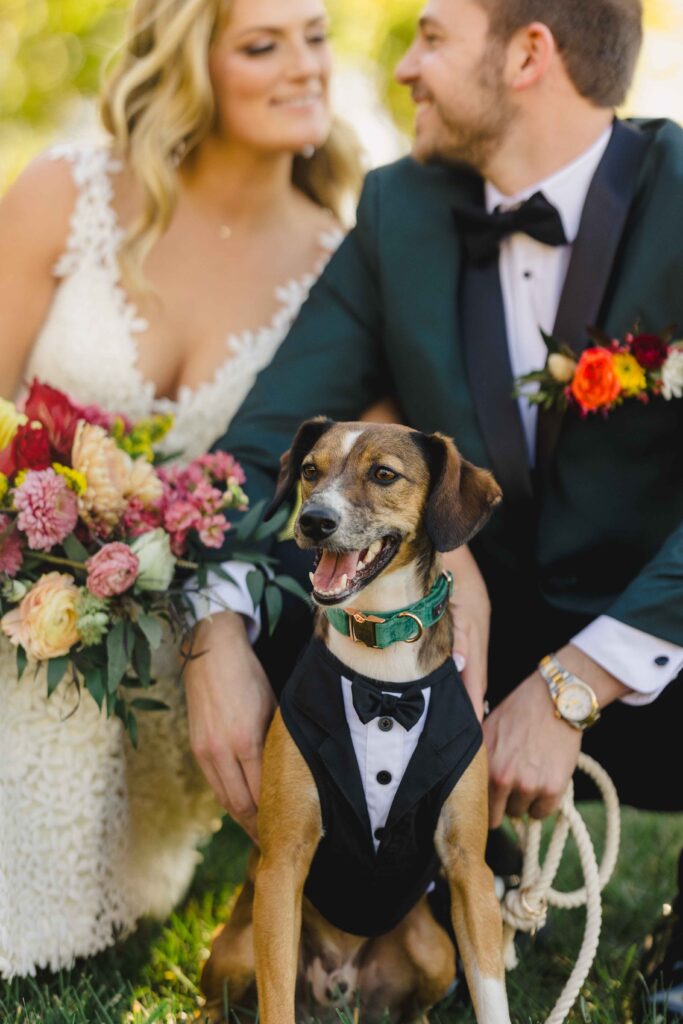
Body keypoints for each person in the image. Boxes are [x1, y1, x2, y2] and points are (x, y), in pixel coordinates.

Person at [186, 0, 683, 1015]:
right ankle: (393, 880)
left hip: (649, 641)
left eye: (431, 36)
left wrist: (577, 680)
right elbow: (254, 448)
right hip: (443, 651)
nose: (403, 68)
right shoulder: (398, 212)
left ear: (528, 54)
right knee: (305, 556)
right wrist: (213, 633)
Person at [0, 0, 362, 977]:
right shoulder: (60, 193)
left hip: (181, 635)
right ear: (191, 64)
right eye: (262, 44)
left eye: (316, 35)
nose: (305, 67)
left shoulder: (339, 270)